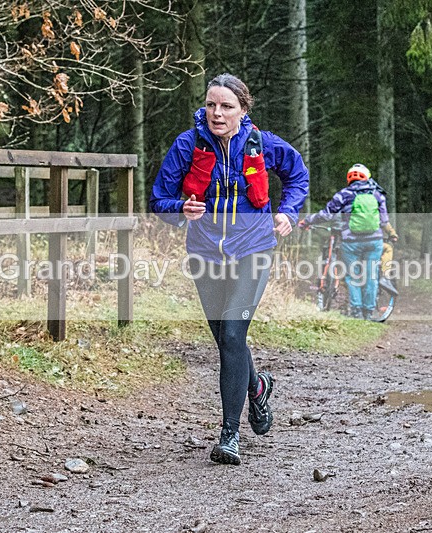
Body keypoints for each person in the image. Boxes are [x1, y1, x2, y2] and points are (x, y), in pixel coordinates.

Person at [148, 73, 309, 465]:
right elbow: (158, 198)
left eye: (226, 106)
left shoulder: (263, 144)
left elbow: (297, 176)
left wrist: (288, 212)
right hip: (205, 253)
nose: (216, 113)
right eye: (210, 105)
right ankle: (257, 387)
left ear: (242, 110)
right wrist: (179, 209)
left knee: (235, 333)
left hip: (253, 251)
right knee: (226, 340)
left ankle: (229, 435)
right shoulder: (187, 145)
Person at [299, 163, 397, 319]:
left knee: (353, 276)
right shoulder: (378, 195)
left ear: (349, 179)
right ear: (367, 177)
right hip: (374, 241)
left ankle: (357, 311)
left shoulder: (344, 194)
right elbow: (384, 221)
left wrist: (308, 221)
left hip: (351, 242)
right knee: (371, 275)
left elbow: (326, 215)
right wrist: (392, 233)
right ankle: (369, 312)